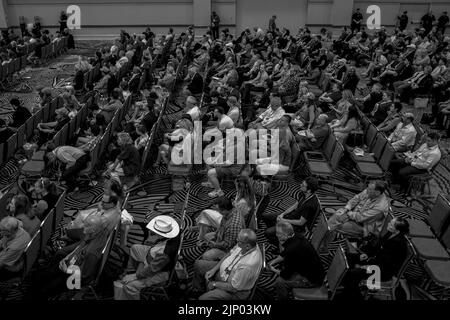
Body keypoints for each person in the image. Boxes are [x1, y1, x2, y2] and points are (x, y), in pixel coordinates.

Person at [30, 215, 108, 300]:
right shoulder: (95, 232)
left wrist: (66, 270)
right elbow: (79, 248)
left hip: (74, 279)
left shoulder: (91, 252)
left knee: (43, 290)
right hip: (70, 264)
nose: (83, 227)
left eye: (86, 226)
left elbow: (84, 276)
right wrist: (67, 257)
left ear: (93, 230)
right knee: (39, 276)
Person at [341, 217, 410, 300]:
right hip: (377, 262)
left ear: (397, 231)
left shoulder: (397, 244)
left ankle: (353, 294)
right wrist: (367, 254)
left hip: (383, 271)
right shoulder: (390, 233)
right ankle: (348, 285)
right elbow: (378, 246)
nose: (388, 224)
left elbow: (385, 264)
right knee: (349, 257)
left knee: (352, 273)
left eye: (391, 224)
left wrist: (367, 266)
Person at [114, 215, 180, 300]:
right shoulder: (173, 233)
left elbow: (152, 269)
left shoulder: (164, 253)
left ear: (161, 235)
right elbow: (177, 221)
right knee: (135, 248)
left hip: (159, 272)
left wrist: (135, 276)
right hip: (153, 256)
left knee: (130, 286)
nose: (152, 232)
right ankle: (130, 271)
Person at [192, 229, 263, 300]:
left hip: (234, 291)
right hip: (226, 273)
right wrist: (214, 269)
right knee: (198, 264)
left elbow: (233, 288)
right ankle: (199, 290)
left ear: (247, 246)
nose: (236, 242)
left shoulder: (247, 266)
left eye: (238, 241)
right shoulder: (246, 244)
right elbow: (229, 254)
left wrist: (214, 284)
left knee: (202, 299)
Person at [269, 221, 325, 300]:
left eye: (278, 233)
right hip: (315, 270)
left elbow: (285, 275)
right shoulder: (297, 236)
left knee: (280, 282)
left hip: (312, 280)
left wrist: (272, 269)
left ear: (285, 235)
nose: (276, 235)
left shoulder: (291, 250)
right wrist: (273, 261)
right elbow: (284, 254)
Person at [264, 177, 320, 243]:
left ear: (309, 190)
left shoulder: (310, 205)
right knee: (265, 216)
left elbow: (301, 222)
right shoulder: (304, 193)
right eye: (302, 183)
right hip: (293, 215)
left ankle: (281, 244)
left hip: (297, 226)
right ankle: (277, 230)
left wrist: (284, 220)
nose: (300, 185)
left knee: (267, 233)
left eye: (303, 185)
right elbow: (295, 205)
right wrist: (283, 214)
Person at [194, 196, 245, 262]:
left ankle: (218, 261)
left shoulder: (233, 225)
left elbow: (228, 245)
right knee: (206, 236)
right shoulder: (231, 211)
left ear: (224, 210)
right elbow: (222, 226)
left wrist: (214, 244)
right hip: (223, 236)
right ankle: (210, 245)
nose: (217, 211)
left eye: (218, 210)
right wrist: (216, 235)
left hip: (229, 250)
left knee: (206, 256)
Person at [0, 217, 31, 281]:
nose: (1, 233)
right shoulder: (17, 226)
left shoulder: (14, 247)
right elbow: (3, 239)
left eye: (2, 231)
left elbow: (1, 264)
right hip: (9, 254)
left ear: (10, 232)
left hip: (11, 268)